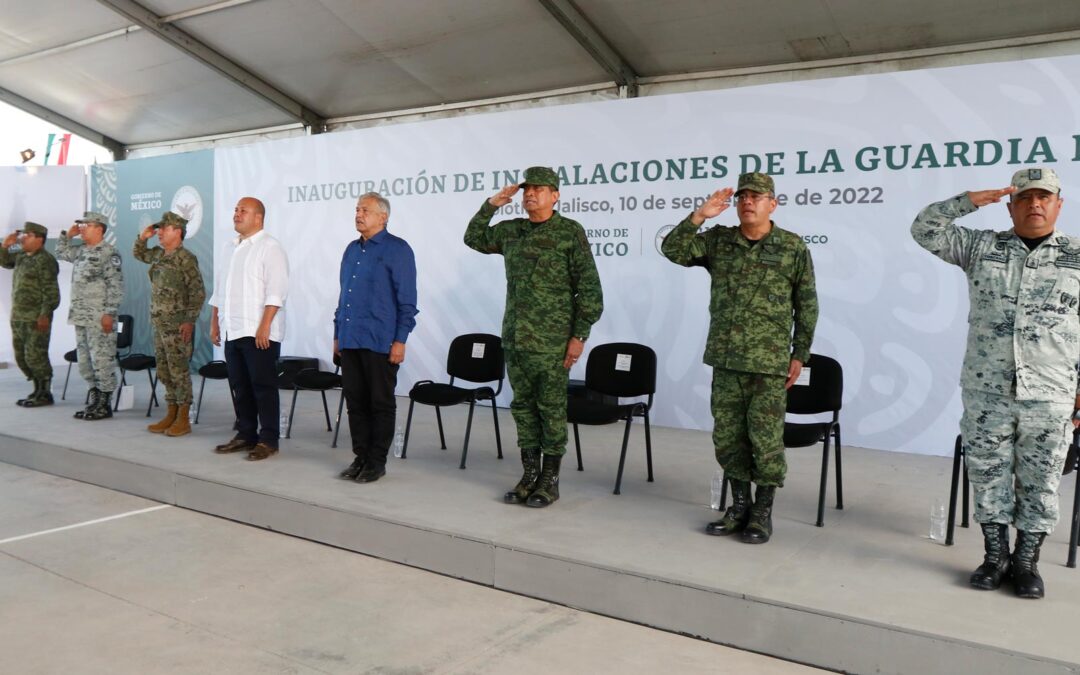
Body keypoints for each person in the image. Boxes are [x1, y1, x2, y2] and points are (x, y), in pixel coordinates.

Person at [912, 167, 1079, 600]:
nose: (1035, 204)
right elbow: (924, 228)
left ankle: (1025, 563)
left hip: (1052, 393)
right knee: (988, 477)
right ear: (1011, 205)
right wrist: (968, 201)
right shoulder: (980, 247)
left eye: (1044, 198)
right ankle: (994, 556)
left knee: (1041, 481)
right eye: (1025, 198)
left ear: (1059, 205)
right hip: (988, 392)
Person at [662, 172, 818, 544]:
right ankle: (738, 506)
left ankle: (762, 513)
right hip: (727, 358)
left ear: (772, 204)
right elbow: (673, 250)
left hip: (769, 364)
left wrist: (800, 354)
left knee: (764, 441)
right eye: (743, 197)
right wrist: (700, 216)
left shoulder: (792, 247)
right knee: (729, 439)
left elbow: (807, 304)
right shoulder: (719, 242)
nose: (748, 202)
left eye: (757, 197)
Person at [465, 166, 603, 508]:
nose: (530, 194)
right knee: (522, 408)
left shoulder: (569, 232)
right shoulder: (513, 231)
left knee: (552, 409)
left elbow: (589, 290)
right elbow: (474, 238)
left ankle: (550, 479)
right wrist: (492, 204)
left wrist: (579, 336)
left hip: (553, 342)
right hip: (516, 338)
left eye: (539, 189)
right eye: (528, 189)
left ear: (555, 196)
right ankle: (529, 473)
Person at [334, 193, 418, 483]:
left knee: (380, 403)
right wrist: (337, 334)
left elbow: (407, 301)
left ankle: (377, 461)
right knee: (355, 402)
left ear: (383, 217)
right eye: (357, 209)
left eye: (365, 210)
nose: (358, 214)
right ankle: (360, 456)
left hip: (381, 340)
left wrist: (400, 340)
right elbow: (343, 296)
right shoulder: (351, 250)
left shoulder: (398, 250)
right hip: (350, 337)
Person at [209, 197, 289, 461]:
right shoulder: (229, 248)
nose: (236, 214)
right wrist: (215, 322)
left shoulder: (270, 247)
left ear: (258, 218)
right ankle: (245, 434)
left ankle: (268, 439)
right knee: (239, 386)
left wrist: (265, 326)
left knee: (263, 387)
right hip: (232, 329)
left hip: (258, 332)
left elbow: (276, 292)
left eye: (243, 210)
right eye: (235, 209)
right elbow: (219, 291)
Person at [133, 211, 206, 437]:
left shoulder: (186, 258)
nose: (160, 233)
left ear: (178, 231)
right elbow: (139, 254)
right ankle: (171, 412)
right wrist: (143, 237)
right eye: (160, 229)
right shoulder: (158, 255)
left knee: (179, 371)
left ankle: (183, 417)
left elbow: (197, 292)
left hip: (177, 325)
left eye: (164, 228)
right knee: (164, 371)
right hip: (159, 323)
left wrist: (189, 321)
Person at [55, 212, 124, 421]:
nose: (83, 228)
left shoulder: (109, 253)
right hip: (81, 316)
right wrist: (68, 234)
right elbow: (60, 252)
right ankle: (94, 399)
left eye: (87, 225)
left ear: (100, 228)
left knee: (102, 360)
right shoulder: (81, 251)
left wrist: (109, 313)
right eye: (81, 225)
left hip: (99, 317)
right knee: (86, 362)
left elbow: (116, 286)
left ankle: (105, 404)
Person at [0, 222, 60, 407]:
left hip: (36, 317)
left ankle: (45, 392)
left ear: (39, 239)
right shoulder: (21, 257)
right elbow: (4, 261)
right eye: (23, 234)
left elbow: (51, 291)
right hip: (19, 315)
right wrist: (4, 246)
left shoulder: (46, 260)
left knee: (36, 355)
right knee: (22, 356)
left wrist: (44, 314)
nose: (23, 238)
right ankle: (36, 388)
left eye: (28, 235)